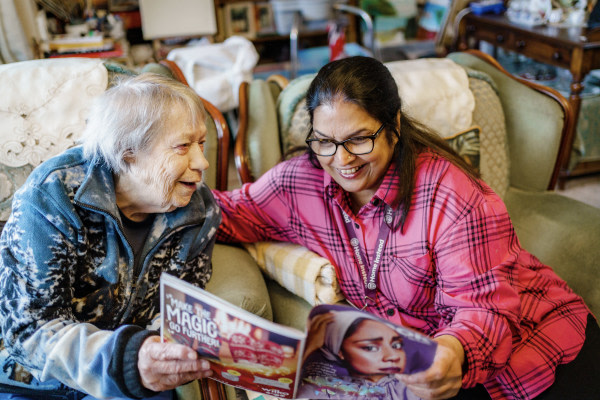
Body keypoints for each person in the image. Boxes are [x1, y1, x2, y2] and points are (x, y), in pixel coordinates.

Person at [212, 56, 600, 399]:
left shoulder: (451, 195)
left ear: (393, 125)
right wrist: (156, 193)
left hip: (538, 343)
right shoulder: (299, 184)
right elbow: (226, 212)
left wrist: (453, 350)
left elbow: (483, 310)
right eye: (325, 141)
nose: (341, 159)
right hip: (422, 365)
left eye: (359, 139)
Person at [0, 73, 219, 399]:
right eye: (183, 146)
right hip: (36, 381)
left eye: (201, 143)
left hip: (135, 380)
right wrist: (126, 360)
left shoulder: (198, 209)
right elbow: (29, 331)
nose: (202, 162)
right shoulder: (52, 197)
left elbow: (179, 309)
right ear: (127, 153)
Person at [297, 308, 423, 400]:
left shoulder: (411, 385)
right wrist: (311, 346)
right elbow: (287, 390)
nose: (391, 355)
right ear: (340, 351)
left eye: (395, 345)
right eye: (370, 347)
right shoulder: (325, 387)